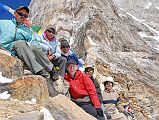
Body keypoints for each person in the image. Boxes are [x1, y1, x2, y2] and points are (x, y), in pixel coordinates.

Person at [0, 6, 55, 78]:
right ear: (14, 13)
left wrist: (32, 45)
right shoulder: (3, 23)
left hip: (22, 51)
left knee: (34, 46)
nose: (23, 16)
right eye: (20, 14)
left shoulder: (26, 29)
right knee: (20, 43)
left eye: (25, 15)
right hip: (6, 48)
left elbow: (33, 41)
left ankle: (51, 69)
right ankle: (38, 70)